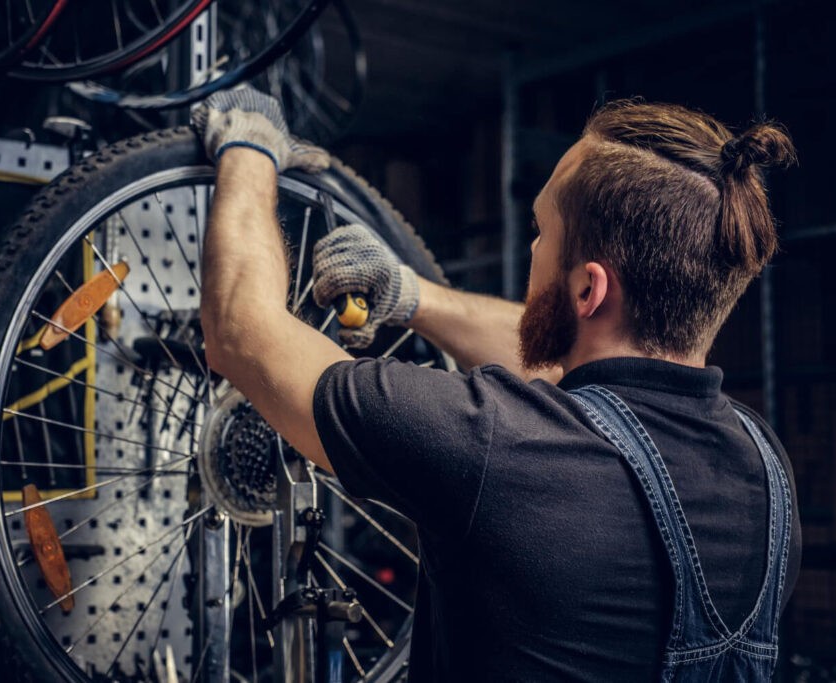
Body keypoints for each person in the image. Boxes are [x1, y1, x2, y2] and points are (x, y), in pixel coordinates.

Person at [192, 89, 801, 681]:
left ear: (590, 289)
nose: (532, 250)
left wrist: (249, 150)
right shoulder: (766, 469)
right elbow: (568, 375)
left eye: (541, 232)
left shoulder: (494, 445)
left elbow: (243, 333)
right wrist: (412, 296)